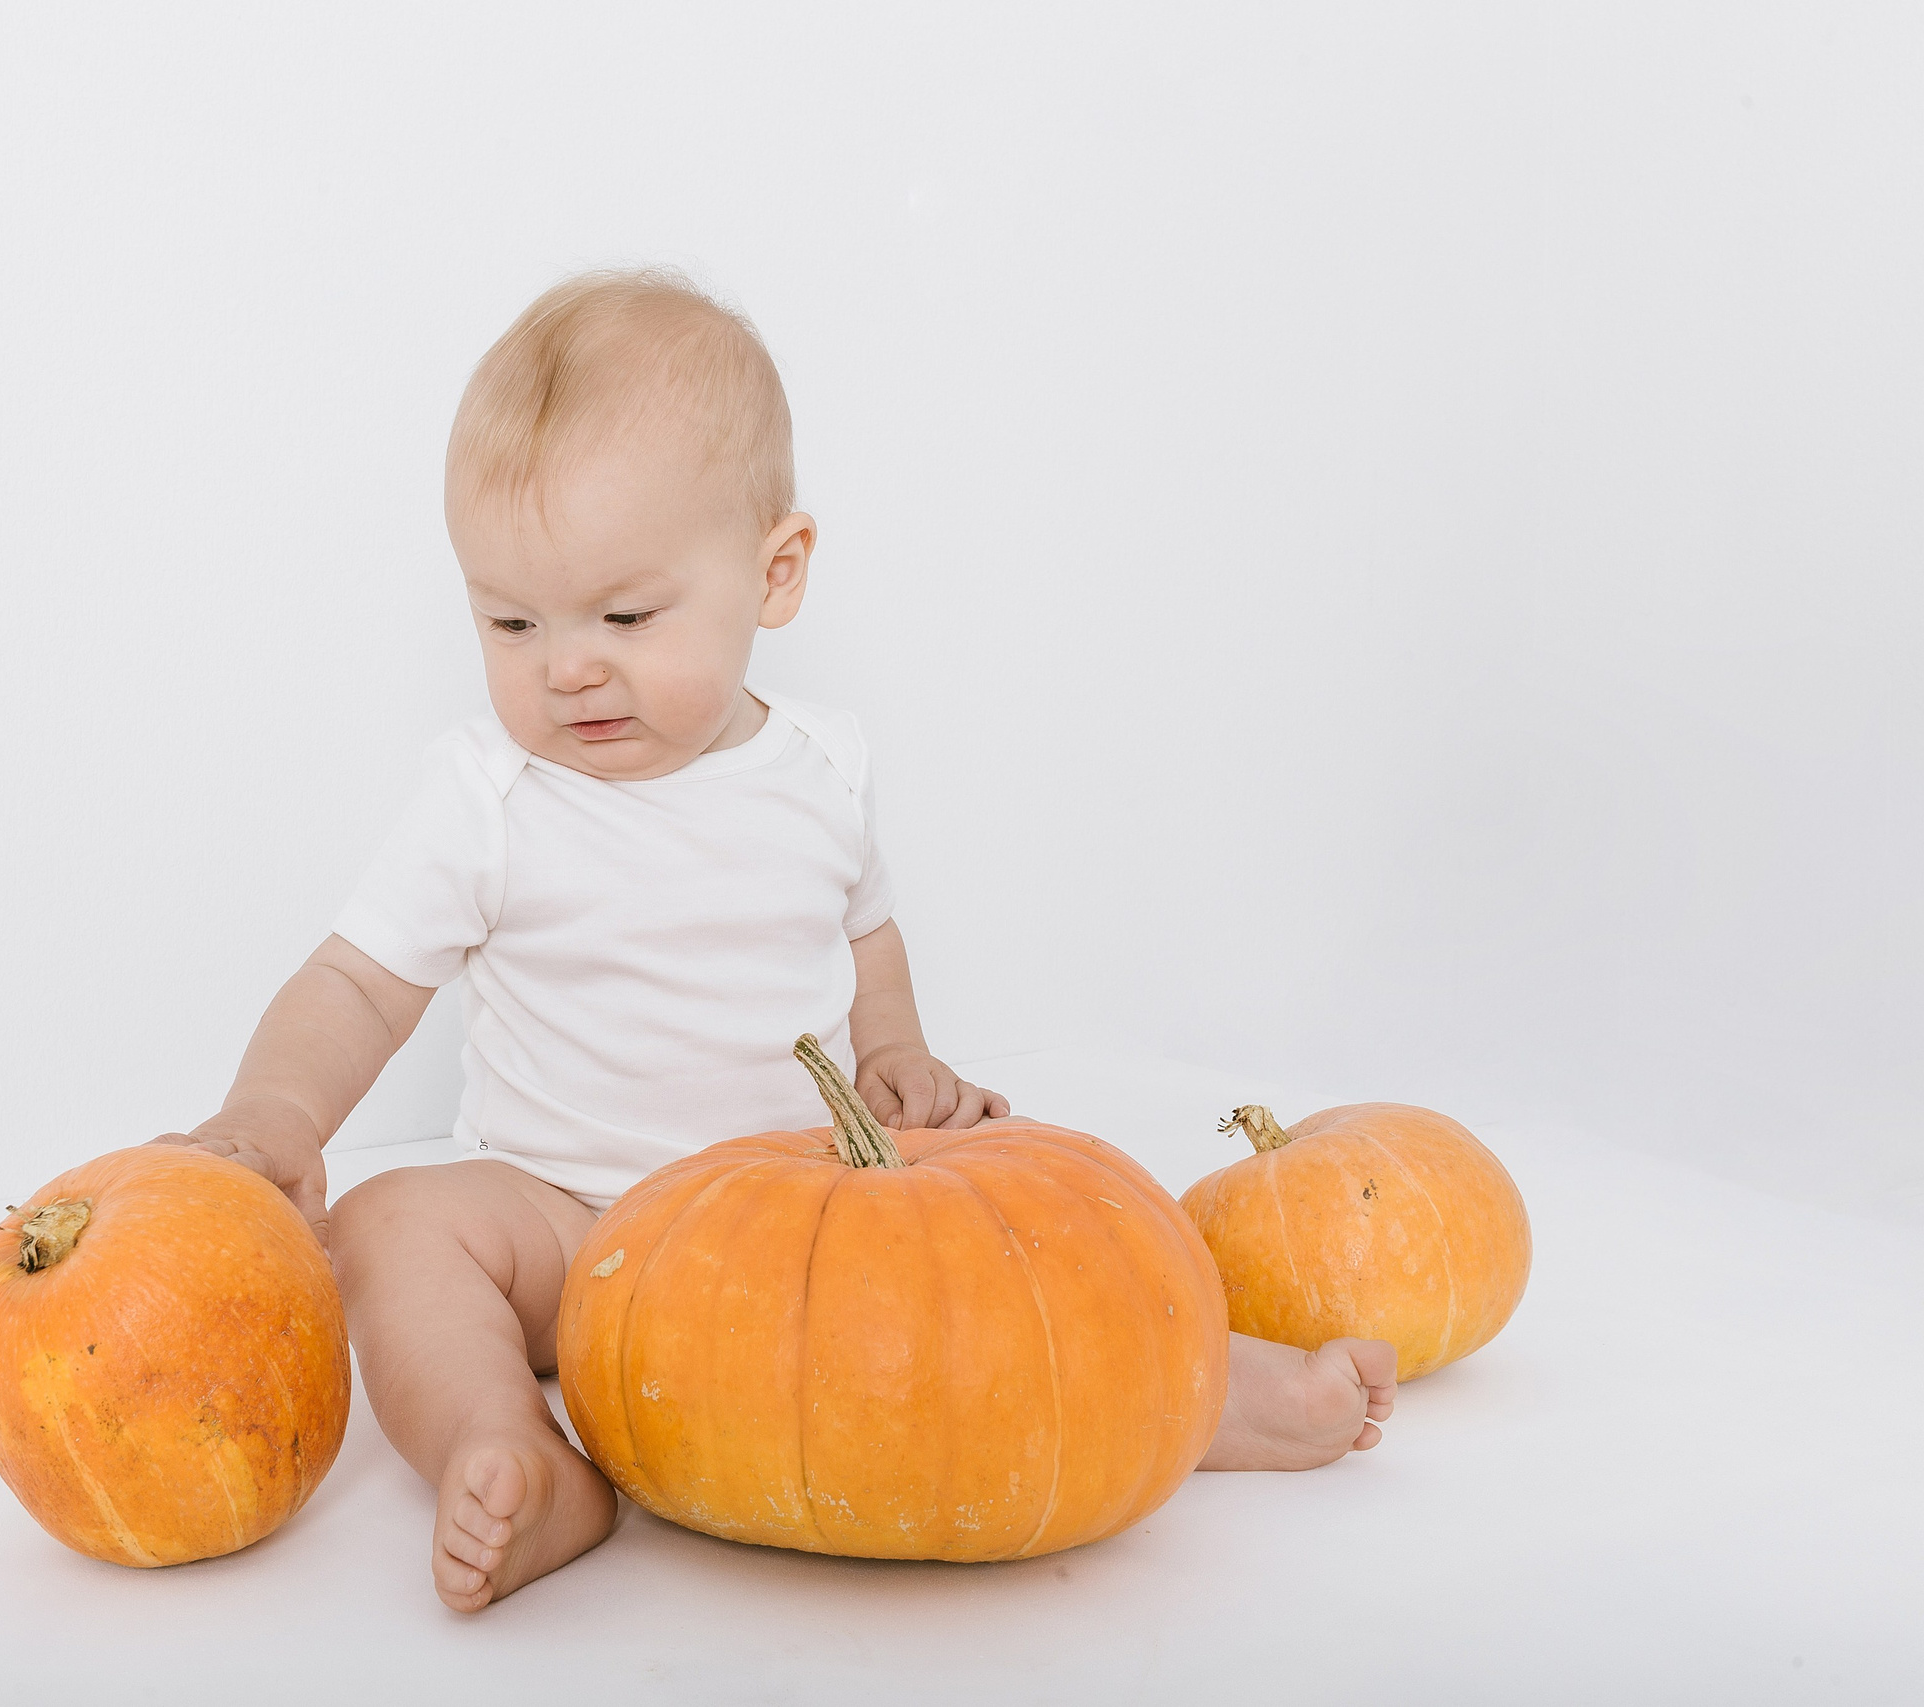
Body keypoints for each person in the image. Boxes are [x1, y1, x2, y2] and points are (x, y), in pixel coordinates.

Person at [156, 270, 1396, 1612]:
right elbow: (357, 981)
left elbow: (867, 937)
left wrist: (900, 1053)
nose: (564, 666)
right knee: (393, 1229)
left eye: (625, 617)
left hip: (811, 1236)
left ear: (776, 571)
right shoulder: (485, 799)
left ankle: (1213, 1394)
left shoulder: (821, 771)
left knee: (1030, 1226)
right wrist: (274, 1114)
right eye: (510, 621)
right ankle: (506, 1446)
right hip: (566, 1229)